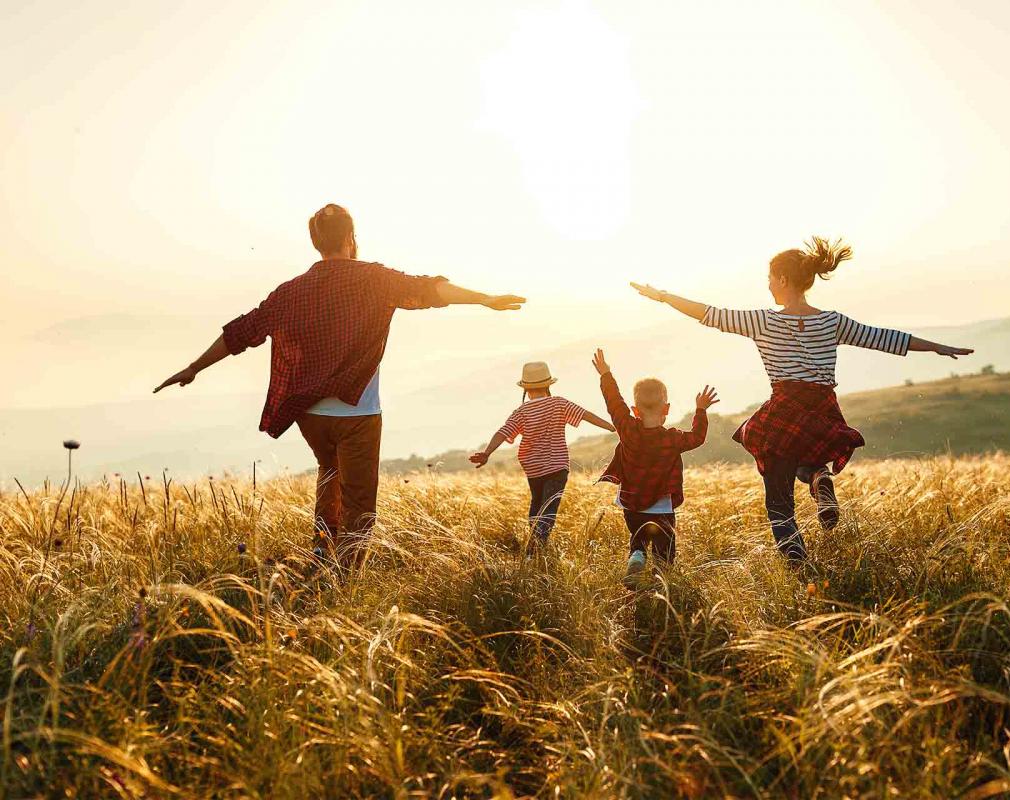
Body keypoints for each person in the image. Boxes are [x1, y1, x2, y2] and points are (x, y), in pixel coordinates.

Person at [154, 203, 525, 567]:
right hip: (358, 413)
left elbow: (242, 332)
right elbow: (429, 289)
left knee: (329, 471)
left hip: (310, 415)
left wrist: (193, 367)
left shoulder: (291, 291)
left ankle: (321, 550)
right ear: (350, 237)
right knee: (359, 502)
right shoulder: (374, 279)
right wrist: (484, 299)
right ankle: (345, 579)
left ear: (317, 242)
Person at [629, 237, 972, 565]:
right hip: (823, 408)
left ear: (781, 278)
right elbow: (884, 338)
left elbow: (708, 313)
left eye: (769, 278)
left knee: (778, 499)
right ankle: (819, 479)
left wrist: (662, 297)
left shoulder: (763, 320)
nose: (767, 285)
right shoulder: (832, 321)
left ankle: (796, 562)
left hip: (784, 408)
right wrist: (937, 347)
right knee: (807, 457)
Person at [591, 348, 718, 588]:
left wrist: (606, 375)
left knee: (638, 537)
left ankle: (637, 555)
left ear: (635, 410)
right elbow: (698, 437)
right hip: (661, 505)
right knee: (664, 547)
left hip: (631, 502)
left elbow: (614, 403)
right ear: (667, 409)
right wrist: (700, 410)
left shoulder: (627, 429)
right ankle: (661, 581)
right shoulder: (672, 439)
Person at [469, 361, 615, 552]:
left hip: (533, 469)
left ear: (526, 389)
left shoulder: (521, 412)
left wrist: (487, 453)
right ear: (548, 385)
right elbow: (585, 415)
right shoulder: (559, 403)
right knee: (549, 508)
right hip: (557, 466)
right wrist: (612, 427)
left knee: (537, 505)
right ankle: (536, 548)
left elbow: (503, 432)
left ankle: (534, 546)